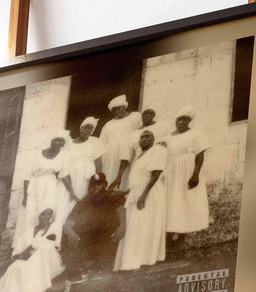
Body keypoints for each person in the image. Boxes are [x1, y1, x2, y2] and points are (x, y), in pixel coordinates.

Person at [12, 133, 77, 254]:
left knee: (47, 212)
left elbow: (64, 175)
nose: (58, 143)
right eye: (56, 140)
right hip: (35, 185)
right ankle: (26, 244)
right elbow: (27, 176)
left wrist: (72, 192)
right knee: (31, 212)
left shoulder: (63, 156)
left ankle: (41, 245)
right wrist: (25, 195)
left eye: (61, 141)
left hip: (51, 185)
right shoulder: (37, 154)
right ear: (51, 140)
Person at [114, 128, 168, 271]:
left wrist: (144, 195)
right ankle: (133, 260)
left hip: (149, 193)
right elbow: (138, 177)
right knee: (135, 227)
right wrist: (128, 192)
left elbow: (156, 174)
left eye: (148, 136)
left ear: (153, 139)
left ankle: (139, 260)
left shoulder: (158, 150)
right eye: (142, 137)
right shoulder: (139, 154)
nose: (144, 139)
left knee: (140, 225)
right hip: (136, 193)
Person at [61, 172, 125, 282]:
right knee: (68, 235)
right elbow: (69, 222)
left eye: (99, 184)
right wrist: (70, 231)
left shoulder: (112, 196)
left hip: (107, 234)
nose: (96, 188)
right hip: (92, 237)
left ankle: (102, 268)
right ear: (89, 187)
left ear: (105, 184)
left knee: (112, 229)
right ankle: (79, 271)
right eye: (93, 185)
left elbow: (121, 210)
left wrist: (123, 225)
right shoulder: (86, 200)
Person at [0, 208, 64, 292]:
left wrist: (35, 248)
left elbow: (53, 245)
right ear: (38, 216)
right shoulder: (28, 233)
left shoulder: (53, 228)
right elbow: (16, 253)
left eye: (49, 214)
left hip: (45, 258)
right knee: (14, 268)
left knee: (32, 267)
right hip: (26, 258)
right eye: (43, 214)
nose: (46, 217)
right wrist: (23, 254)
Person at [164, 106, 212, 236]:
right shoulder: (168, 137)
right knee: (172, 198)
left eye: (184, 119)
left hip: (187, 169)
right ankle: (172, 228)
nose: (180, 122)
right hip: (171, 170)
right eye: (178, 119)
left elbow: (200, 154)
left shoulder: (196, 133)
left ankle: (183, 230)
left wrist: (195, 174)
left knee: (185, 197)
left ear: (189, 121)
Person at [100, 95, 141, 194]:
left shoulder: (135, 116)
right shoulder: (109, 124)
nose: (116, 112)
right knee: (110, 173)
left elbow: (141, 131)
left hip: (127, 151)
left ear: (124, 107)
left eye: (118, 109)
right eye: (114, 110)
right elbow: (102, 142)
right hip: (110, 154)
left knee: (125, 175)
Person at [66, 117, 105, 201]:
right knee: (67, 196)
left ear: (92, 131)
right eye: (85, 127)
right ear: (81, 128)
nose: (87, 130)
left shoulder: (95, 141)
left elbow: (98, 162)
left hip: (87, 174)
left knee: (82, 196)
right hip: (71, 173)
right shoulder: (70, 142)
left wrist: (98, 180)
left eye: (90, 128)